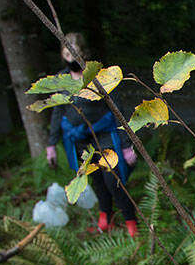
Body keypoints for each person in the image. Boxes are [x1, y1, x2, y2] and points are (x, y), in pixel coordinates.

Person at [46, 32, 139, 236]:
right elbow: (56, 112)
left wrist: (125, 145)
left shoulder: (98, 77)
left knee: (112, 181)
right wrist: (51, 145)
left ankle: (132, 225)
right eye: (67, 55)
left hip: (106, 137)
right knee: (97, 181)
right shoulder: (60, 80)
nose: (71, 59)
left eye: (75, 54)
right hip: (79, 141)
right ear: (63, 55)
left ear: (83, 53)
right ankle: (105, 220)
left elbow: (118, 110)